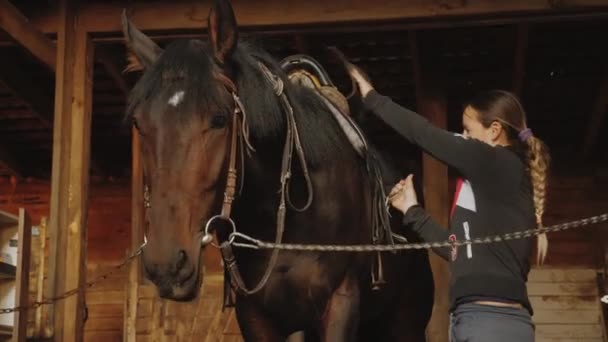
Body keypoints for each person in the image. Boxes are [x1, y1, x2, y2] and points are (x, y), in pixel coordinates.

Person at [348, 65, 550, 342]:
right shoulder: (492, 183)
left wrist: (372, 98)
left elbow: (426, 134)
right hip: (474, 319)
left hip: (489, 324)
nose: (464, 138)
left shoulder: (495, 162)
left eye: (468, 130)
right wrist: (412, 211)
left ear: (494, 131)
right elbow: (456, 249)